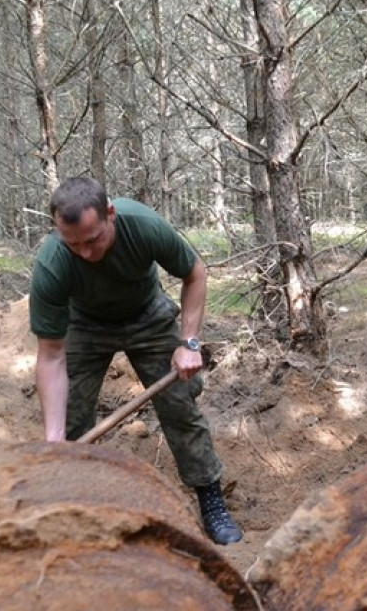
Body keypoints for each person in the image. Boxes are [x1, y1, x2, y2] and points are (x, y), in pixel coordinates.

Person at [29, 176, 243, 545]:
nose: (85, 253)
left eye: (93, 239)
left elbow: (195, 273)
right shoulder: (52, 264)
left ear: (110, 214)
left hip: (147, 314)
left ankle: (211, 501)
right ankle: (79, 508)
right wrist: (54, 437)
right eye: (73, 244)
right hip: (85, 325)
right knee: (70, 425)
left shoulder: (142, 226)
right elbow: (50, 357)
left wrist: (188, 343)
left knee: (179, 406)